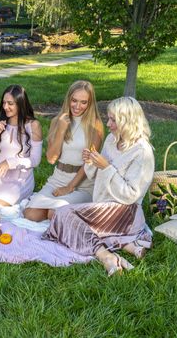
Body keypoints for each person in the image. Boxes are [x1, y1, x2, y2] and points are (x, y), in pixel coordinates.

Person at [43, 97, 155, 276]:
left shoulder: (142, 151)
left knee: (63, 214)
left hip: (126, 212)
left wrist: (106, 167)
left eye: (113, 120)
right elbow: (95, 173)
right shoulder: (112, 139)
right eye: (108, 118)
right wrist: (91, 162)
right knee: (63, 215)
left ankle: (104, 255)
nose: (108, 124)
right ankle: (126, 246)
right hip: (103, 206)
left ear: (127, 122)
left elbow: (132, 195)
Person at [23, 80, 104, 221]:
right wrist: (61, 130)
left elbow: (89, 163)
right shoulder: (58, 121)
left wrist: (69, 187)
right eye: (74, 100)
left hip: (82, 183)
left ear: (90, 103)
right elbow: (51, 159)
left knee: (54, 214)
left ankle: (61, 213)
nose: (78, 106)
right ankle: (59, 212)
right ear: (68, 99)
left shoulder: (95, 125)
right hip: (58, 178)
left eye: (83, 102)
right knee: (30, 214)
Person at [0, 85, 42, 217]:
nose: (5, 107)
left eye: (10, 103)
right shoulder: (0, 122)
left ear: (21, 104)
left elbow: (35, 160)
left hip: (18, 178)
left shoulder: (33, 125)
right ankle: (13, 210)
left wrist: (10, 163)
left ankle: (18, 206)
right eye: (4, 103)